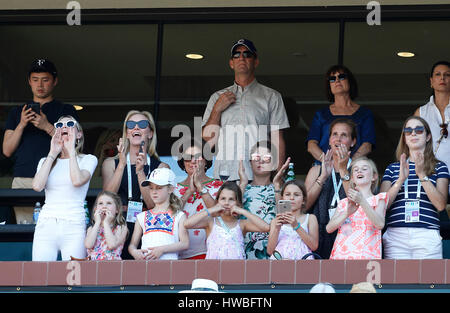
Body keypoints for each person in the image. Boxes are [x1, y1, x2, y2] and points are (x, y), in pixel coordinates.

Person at [201, 38, 289, 181]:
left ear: (256, 62)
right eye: (236, 54)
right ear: (231, 63)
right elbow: (208, 140)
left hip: (259, 177)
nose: (241, 57)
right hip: (225, 175)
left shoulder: (272, 97)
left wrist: (277, 177)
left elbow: (277, 140)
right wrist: (217, 110)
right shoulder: (217, 97)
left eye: (247, 54)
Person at [2, 59, 78, 223]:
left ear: (55, 81)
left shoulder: (66, 110)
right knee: (25, 229)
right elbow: (7, 150)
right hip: (24, 179)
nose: (40, 84)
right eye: (35, 79)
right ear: (29, 81)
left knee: (57, 226)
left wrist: (47, 126)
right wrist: (22, 124)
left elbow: (75, 145)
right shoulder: (17, 112)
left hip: (57, 178)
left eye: (45, 79)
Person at [101, 110, 169, 259]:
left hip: (149, 227)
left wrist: (140, 172)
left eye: (142, 124)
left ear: (150, 133)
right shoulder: (111, 163)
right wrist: (122, 165)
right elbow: (107, 198)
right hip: (118, 224)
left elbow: (153, 205)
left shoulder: (161, 167)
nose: (136, 128)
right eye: (131, 124)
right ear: (127, 132)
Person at [380, 116, 449, 259]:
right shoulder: (393, 168)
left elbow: (441, 205)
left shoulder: (440, 167)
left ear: (428, 136)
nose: (413, 133)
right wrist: (400, 180)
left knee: (430, 280)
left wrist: (422, 174)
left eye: (419, 130)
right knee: (396, 280)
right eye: (408, 131)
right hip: (396, 234)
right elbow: (382, 206)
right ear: (404, 138)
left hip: (427, 232)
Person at [31, 116, 97, 261]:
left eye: (70, 124)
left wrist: (70, 150)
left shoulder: (88, 159)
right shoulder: (45, 160)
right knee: (41, 275)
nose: (65, 127)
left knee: (74, 276)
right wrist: (53, 153)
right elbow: (37, 186)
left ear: (79, 134)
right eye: (60, 124)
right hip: (46, 224)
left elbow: (77, 180)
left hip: (73, 224)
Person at [304, 118, 357, 259]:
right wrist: (322, 177)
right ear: (329, 140)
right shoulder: (316, 170)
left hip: (350, 233)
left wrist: (344, 170)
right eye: (334, 134)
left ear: (353, 142)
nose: (338, 139)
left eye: (344, 135)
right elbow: (304, 206)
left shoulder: (359, 169)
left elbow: (359, 202)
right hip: (319, 235)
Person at [306, 64, 375, 164]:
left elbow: (367, 145)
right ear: (329, 86)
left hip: (354, 169)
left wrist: (350, 163)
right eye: (332, 79)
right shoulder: (321, 114)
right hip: (324, 169)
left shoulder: (365, 114)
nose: (337, 80)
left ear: (350, 81)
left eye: (341, 77)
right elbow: (311, 145)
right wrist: (327, 163)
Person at [184, 181, 270, 259]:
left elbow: (266, 227)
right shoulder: (211, 222)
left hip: (236, 270)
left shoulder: (242, 224)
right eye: (223, 199)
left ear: (238, 203)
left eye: (231, 199)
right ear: (217, 201)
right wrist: (211, 209)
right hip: (213, 270)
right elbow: (187, 224)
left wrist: (243, 211)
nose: (226, 203)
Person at [327, 157, 388, 260]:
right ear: (352, 178)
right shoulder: (344, 203)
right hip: (341, 256)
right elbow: (329, 228)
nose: (359, 171)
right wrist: (346, 213)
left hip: (367, 256)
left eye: (364, 169)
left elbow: (380, 224)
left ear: (374, 176)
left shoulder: (379, 199)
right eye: (355, 170)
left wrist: (362, 201)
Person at [173, 139, 223, 259]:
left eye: (198, 156)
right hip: (179, 253)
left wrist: (200, 188)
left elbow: (219, 214)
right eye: (188, 157)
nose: (193, 161)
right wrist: (190, 191)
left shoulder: (219, 186)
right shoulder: (174, 188)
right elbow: (170, 215)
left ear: (206, 160)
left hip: (212, 252)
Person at [128, 168, 189, 260]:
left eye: (159, 188)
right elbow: (132, 245)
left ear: (170, 189)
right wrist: (134, 252)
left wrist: (162, 249)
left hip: (169, 266)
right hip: (146, 267)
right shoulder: (141, 216)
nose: (154, 192)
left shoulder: (179, 215)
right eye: (151, 188)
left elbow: (185, 243)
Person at [414, 61, 450, 195]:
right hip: (431, 176)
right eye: (438, 74)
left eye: (447, 75)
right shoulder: (421, 112)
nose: (442, 78)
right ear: (431, 81)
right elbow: (414, 145)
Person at [238, 140, 278, 259]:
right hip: (243, 251)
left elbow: (287, 215)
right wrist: (243, 183)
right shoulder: (241, 187)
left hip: (274, 251)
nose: (260, 160)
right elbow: (231, 213)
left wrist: (278, 187)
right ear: (250, 162)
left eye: (266, 157)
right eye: (256, 157)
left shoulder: (282, 189)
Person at [267, 180, 319, 260]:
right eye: (287, 194)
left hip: (303, 262)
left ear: (303, 200)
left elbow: (314, 246)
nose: (291, 198)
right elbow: (270, 251)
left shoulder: (310, 218)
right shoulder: (275, 221)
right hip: (279, 262)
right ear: (282, 198)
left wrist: (296, 226)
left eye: (296, 195)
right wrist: (277, 229)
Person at [85, 191, 128, 260]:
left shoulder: (121, 227)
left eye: (109, 203)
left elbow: (112, 245)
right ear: (96, 209)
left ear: (117, 209)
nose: (104, 206)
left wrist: (106, 223)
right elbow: (88, 245)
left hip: (111, 266)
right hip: (93, 266)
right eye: (100, 203)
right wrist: (97, 222)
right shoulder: (92, 228)